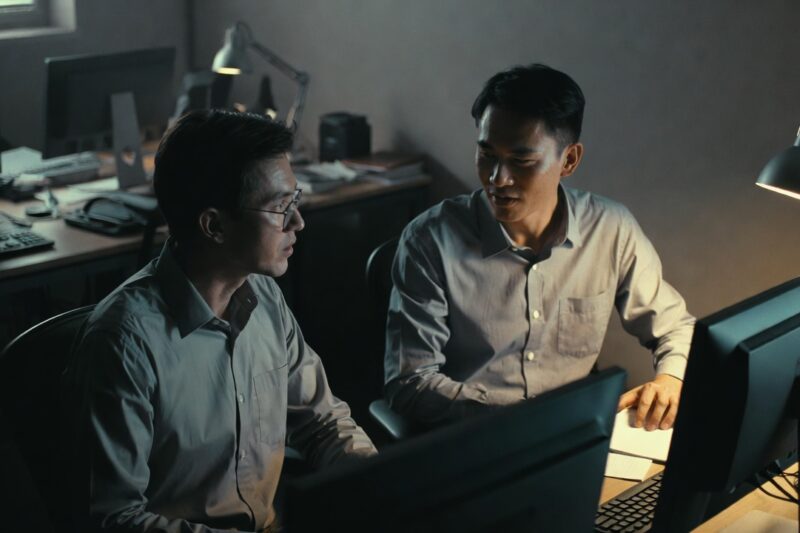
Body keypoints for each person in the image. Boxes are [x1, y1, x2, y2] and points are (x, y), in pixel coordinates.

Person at [62, 109, 376, 532]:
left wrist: (376, 484)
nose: (298, 222)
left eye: (295, 202)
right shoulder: (123, 343)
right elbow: (116, 518)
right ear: (214, 225)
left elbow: (322, 424)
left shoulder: (264, 297)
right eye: (281, 207)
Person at [384, 64, 695, 433]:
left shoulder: (611, 228)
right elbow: (410, 383)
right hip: (475, 439)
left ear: (569, 160)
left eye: (521, 160)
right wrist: (529, 419)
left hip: (573, 436)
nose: (498, 178)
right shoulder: (429, 241)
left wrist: (670, 380)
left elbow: (676, 328)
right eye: (487, 155)